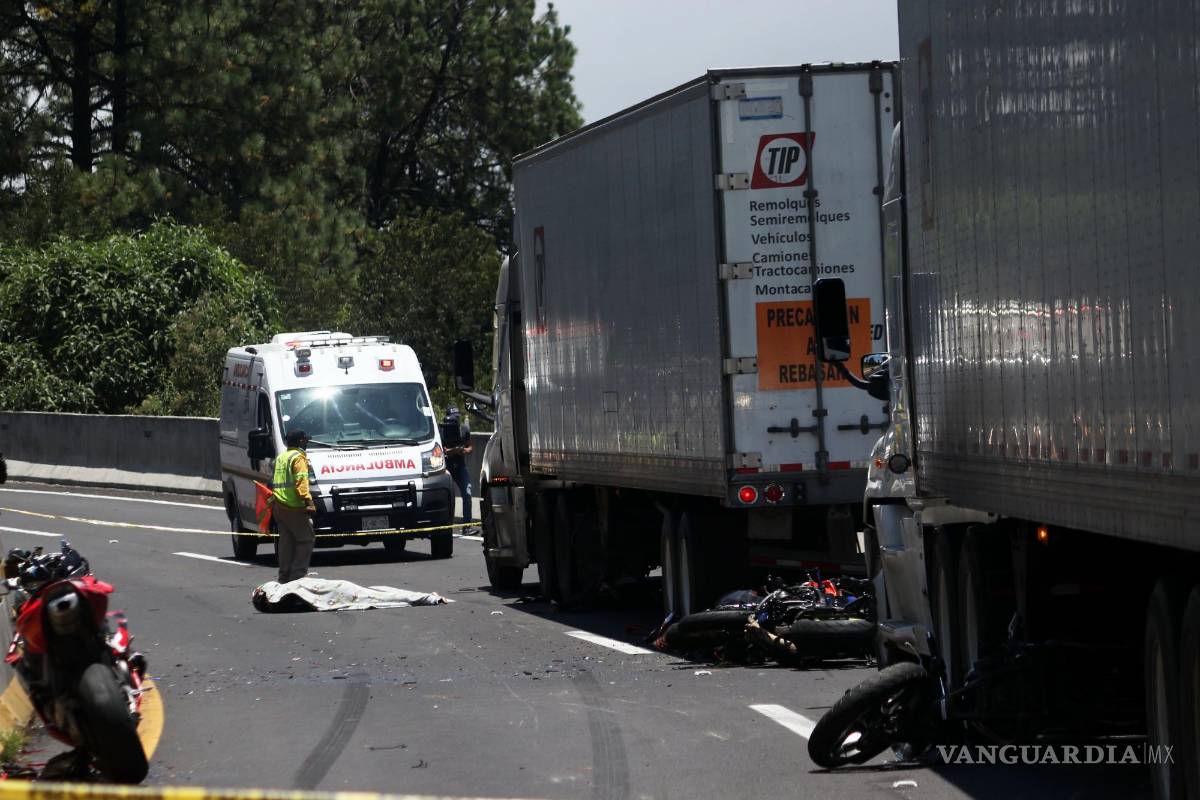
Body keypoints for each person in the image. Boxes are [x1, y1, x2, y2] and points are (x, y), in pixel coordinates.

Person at [271, 429, 317, 583]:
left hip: (279, 504)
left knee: (286, 542)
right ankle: (297, 577)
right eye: (306, 440)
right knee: (306, 539)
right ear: (301, 441)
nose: (307, 443)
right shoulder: (298, 458)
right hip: (293, 506)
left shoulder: (282, 457)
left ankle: (284, 577)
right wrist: (308, 501)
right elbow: (301, 482)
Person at [443, 407, 473, 526]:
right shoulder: (442, 430)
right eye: (454, 417)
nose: (456, 419)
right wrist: (452, 451)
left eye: (458, 417)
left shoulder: (464, 429)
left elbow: (470, 447)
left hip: (460, 465)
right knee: (448, 497)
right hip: (446, 466)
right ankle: (447, 524)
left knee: (467, 492)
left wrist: (463, 451)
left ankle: (467, 525)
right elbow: (441, 451)